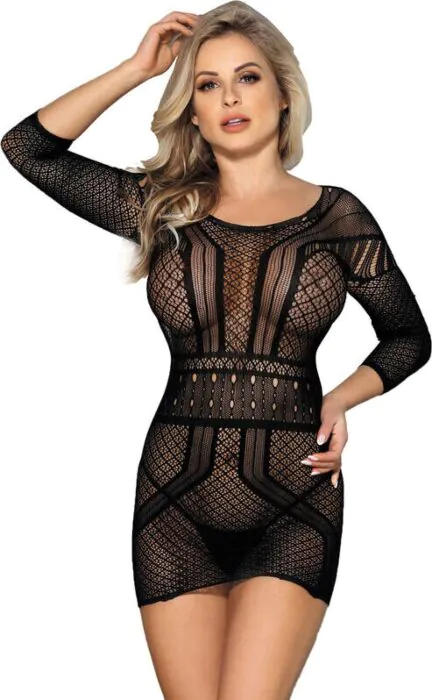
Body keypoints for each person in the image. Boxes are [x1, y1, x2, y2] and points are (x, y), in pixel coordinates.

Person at [2, 2, 431, 699]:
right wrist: (138, 69)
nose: (230, 97)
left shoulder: (339, 216)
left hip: (294, 499)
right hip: (173, 500)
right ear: (193, 112)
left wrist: (341, 398)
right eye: (207, 84)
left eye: (247, 77)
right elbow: (26, 148)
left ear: (283, 94)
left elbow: (409, 335)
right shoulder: (162, 209)